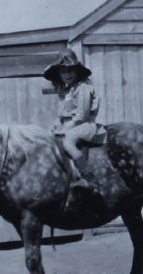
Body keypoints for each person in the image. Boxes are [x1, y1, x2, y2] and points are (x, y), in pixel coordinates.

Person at [43, 48, 105, 197]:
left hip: (84, 125)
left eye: (70, 70)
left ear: (77, 71)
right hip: (70, 125)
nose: (67, 74)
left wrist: (66, 128)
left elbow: (81, 115)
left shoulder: (83, 88)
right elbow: (62, 114)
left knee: (68, 142)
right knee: (48, 140)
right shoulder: (65, 91)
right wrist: (56, 125)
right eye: (63, 71)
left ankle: (87, 177)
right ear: (59, 73)